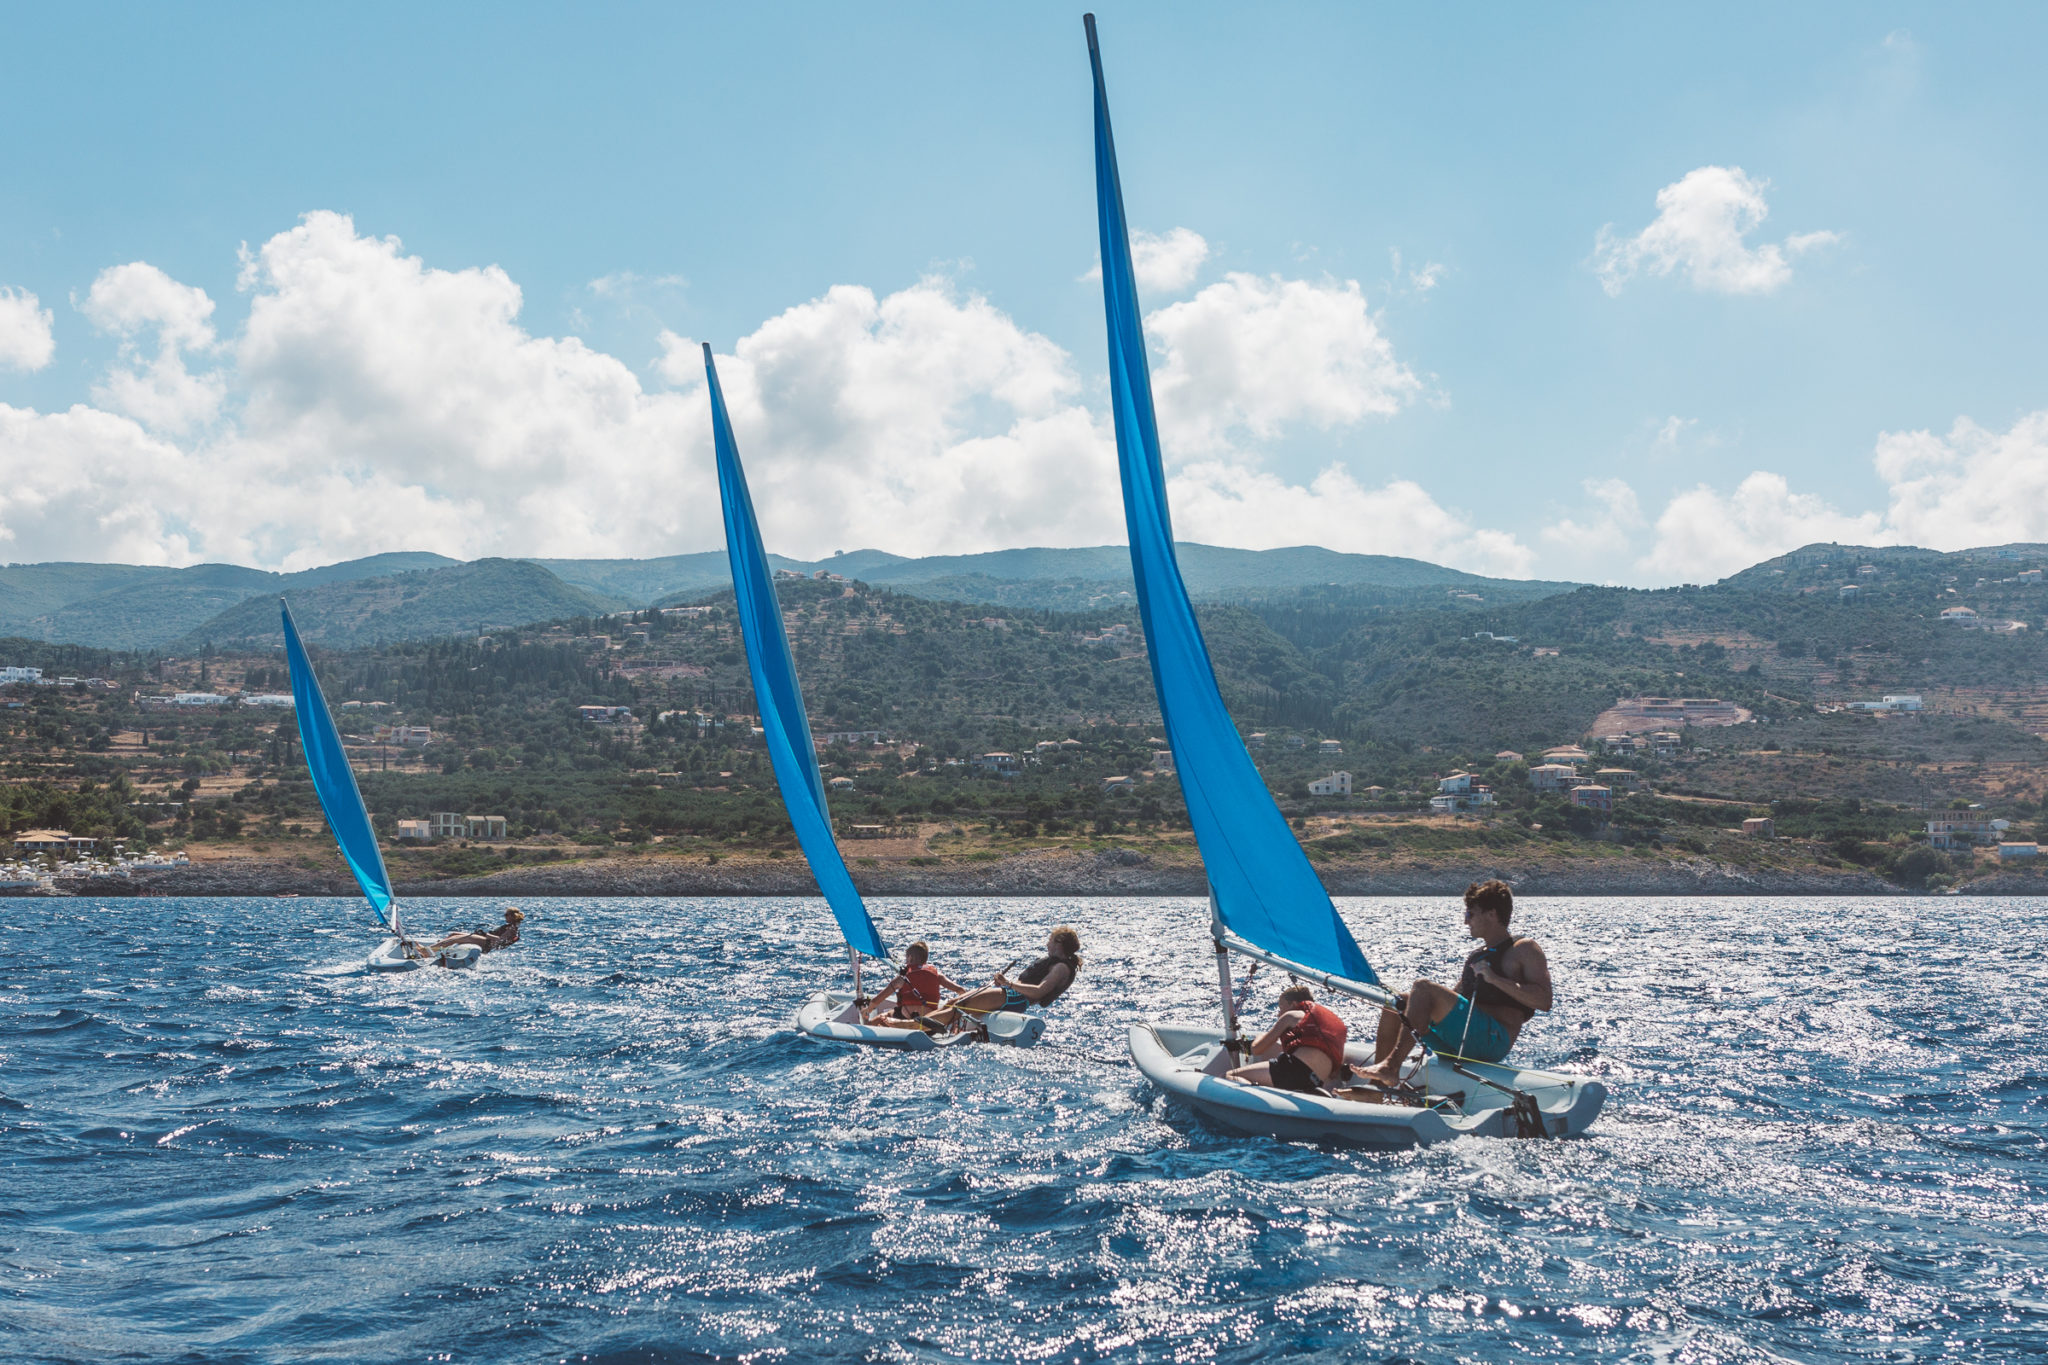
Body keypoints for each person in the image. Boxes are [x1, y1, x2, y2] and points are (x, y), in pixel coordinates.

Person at [1356, 879, 1551, 1086]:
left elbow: (1544, 1001)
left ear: (1492, 914)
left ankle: (1391, 1067)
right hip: (1461, 1040)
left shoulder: (1524, 949)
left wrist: (1495, 979)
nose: (1466, 921)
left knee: (1423, 986)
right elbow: (1452, 999)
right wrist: (1414, 1005)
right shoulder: (1477, 957)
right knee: (1396, 1003)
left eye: (1470, 914)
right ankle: (1376, 1086)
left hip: (1493, 1042)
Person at [923, 926, 1082, 1028]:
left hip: (1016, 998)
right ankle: (921, 1023)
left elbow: (1039, 992)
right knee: (953, 1002)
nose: (1047, 945)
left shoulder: (1061, 968)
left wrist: (1008, 983)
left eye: (1050, 941)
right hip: (1012, 995)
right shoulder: (1056, 964)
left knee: (961, 1006)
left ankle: (915, 1026)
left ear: (1059, 944)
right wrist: (1005, 984)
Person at [1228, 984, 1350, 1093]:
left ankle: (1255, 1101)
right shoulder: (1322, 1026)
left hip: (1293, 1071)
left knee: (1231, 1075)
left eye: (1281, 1007)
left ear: (1293, 1004)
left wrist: (1259, 1037)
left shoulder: (1292, 1015)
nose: (1278, 1014)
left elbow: (1257, 1049)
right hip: (1315, 1081)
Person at [861, 941, 965, 1028]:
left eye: (906, 958)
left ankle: (866, 1028)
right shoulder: (938, 975)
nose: (906, 961)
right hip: (930, 1020)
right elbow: (960, 990)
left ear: (910, 958)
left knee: (883, 1016)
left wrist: (865, 1012)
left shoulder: (902, 978)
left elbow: (876, 1001)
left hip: (905, 1017)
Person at [426, 907, 525, 957]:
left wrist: (486, 934)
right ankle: (436, 950)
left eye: (506, 915)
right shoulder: (511, 926)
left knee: (457, 939)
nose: (505, 916)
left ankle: (428, 951)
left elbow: (501, 940)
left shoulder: (512, 929)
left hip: (487, 944)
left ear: (512, 916)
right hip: (487, 940)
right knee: (453, 934)